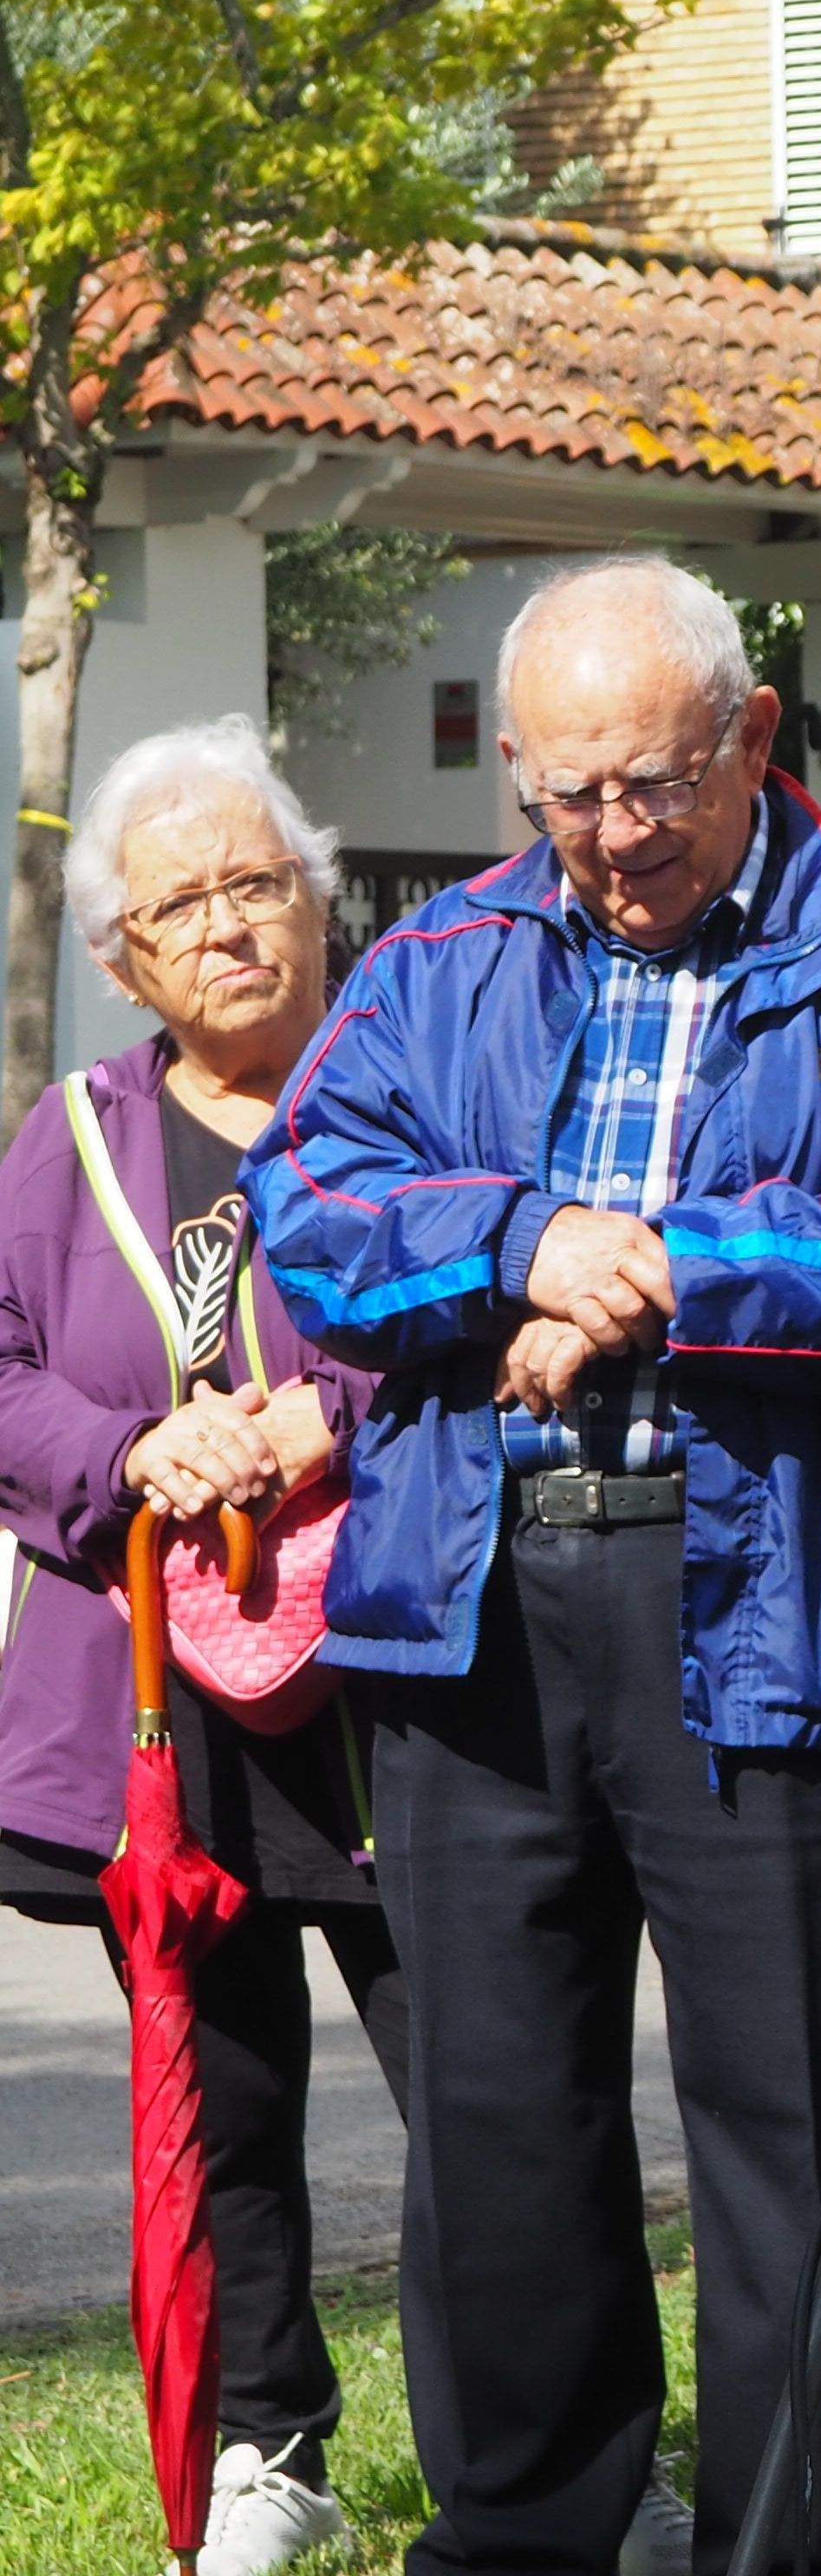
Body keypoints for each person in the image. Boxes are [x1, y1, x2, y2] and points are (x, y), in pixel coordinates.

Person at [244, 555, 821, 2575]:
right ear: (518, 768)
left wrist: (669, 1266)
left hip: (770, 1601)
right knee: (499, 2120)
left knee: (799, 2119)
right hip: (474, 1604)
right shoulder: (441, 957)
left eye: (656, 783)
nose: (612, 834)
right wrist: (522, 1240)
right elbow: (306, 1202)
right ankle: (529, 2528)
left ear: (749, 736)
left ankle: (804, 2536)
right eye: (567, 790)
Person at [0, 723, 391, 2576]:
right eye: (180, 906)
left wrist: (327, 1409)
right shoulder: (70, 1137)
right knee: (223, 2098)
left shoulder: (403, 1088)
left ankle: (559, 2450)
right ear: (123, 957)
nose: (229, 926)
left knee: (493, 2089)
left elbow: (489, 1305)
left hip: (399, 1679)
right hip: (165, 1695)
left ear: (317, 898)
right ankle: (270, 2449)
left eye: (256, 883)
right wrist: (129, 1453)